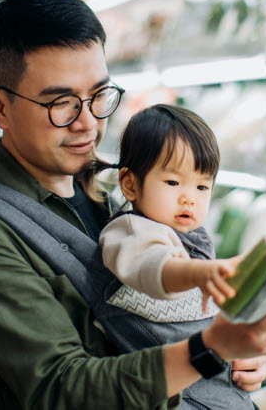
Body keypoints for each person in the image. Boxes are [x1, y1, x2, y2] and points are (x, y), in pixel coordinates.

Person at [0, 0, 266, 410]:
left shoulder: (111, 187)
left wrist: (237, 355)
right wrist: (207, 351)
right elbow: (61, 387)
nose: (88, 123)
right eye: (61, 103)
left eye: (98, 95)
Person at [93, 103, 256, 409]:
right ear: (129, 183)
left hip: (212, 383)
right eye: (172, 182)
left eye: (202, 186)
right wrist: (197, 273)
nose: (189, 197)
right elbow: (153, 267)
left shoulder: (195, 237)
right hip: (173, 394)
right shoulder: (130, 231)